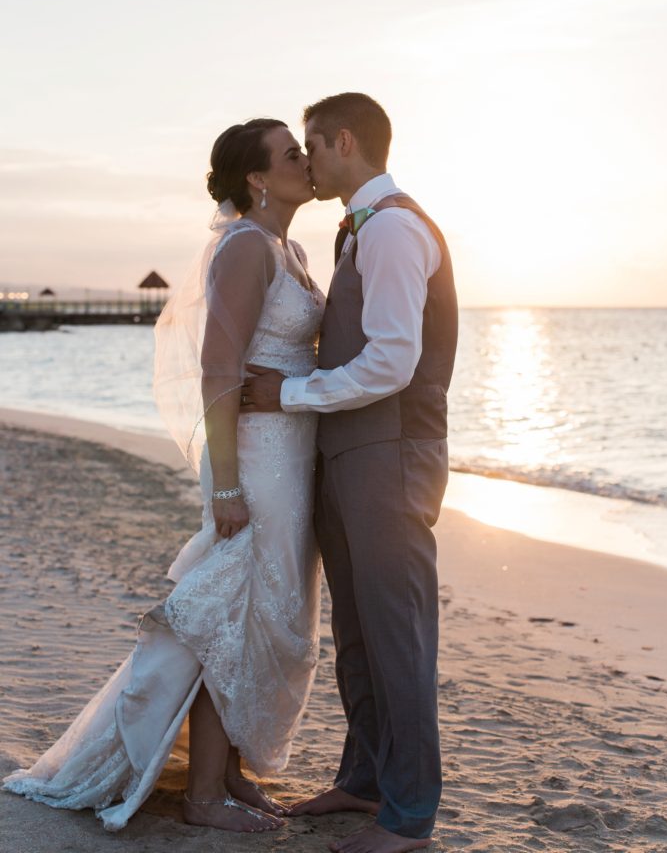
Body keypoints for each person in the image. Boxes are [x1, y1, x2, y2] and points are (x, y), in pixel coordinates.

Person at [3, 119, 324, 834]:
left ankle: (229, 773)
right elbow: (218, 368)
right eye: (291, 154)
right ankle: (204, 793)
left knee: (267, 620)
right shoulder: (244, 247)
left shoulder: (290, 248)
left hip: (293, 457)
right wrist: (228, 488)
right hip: (257, 460)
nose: (306, 162)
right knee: (230, 619)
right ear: (255, 178)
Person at [242, 93, 458, 853]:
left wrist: (289, 394)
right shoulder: (358, 230)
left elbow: (393, 361)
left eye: (312, 146)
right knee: (359, 634)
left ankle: (409, 817)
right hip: (348, 457)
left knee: (397, 637)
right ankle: (365, 782)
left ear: (342, 141)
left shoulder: (395, 227)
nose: (307, 160)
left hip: (391, 459)